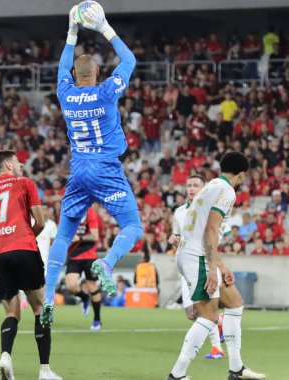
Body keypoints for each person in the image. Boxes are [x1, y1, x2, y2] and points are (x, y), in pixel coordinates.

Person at [40, 4, 143, 327]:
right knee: (133, 227)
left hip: (78, 170)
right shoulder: (106, 93)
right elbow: (130, 61)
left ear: (73, 76)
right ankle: (107, 265)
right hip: (105, 168)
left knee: (64, 234)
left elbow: (61, 69)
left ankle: (47, 298)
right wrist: (105, 28)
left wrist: (71, 33)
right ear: (98, 73)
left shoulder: (65, 93)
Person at [167, 152, 265, 380]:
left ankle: (236, 369)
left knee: (235, 303)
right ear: (242, 175)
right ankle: (177, 374)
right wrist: (212, 267)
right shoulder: (227, 191)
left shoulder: (211, 185)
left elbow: (202, 228)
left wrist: (220, 264)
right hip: (197, 257)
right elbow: (211, 229)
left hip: (194, 254)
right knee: (209, 317)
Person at [0, 150, 61, 380]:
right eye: (18, 162)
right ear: (9, 166)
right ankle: (44, 370)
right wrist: (26, 239)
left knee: (11, 311)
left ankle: (5, 356)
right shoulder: (25, 184)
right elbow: (40, 221)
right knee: (41, 309)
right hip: (22, 248)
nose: (21, 165)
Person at [168, 174, 228, 360]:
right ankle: (220, 322)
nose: (191, 188)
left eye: (195, 185)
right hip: (184, 266)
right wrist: (173, 239)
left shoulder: (210, 211)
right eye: (189, 185)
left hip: (201, 263)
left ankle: (217, 348)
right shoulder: (179, 212)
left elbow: (216, 237)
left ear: (203, 189)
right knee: (192, 313)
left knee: (203, 311)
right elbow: (176, 237)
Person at [65, 207, 103, 330]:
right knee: (71, 286)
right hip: (73, 255)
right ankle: (84, 297)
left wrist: (79, 238)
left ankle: (97, 319)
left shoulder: (91, 213)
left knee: (92, 286)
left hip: (90, 255)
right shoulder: (68, 212)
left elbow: (95, 236)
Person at [36, 204, 58, 274]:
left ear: (48, 211)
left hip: (45, 258)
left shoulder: (52, 225)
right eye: (41, 210)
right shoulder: (31, 222)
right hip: (32, 257)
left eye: (45, 210)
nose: (43, 212)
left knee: (43, 281)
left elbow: (54, 243)